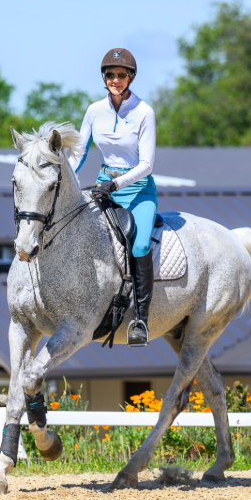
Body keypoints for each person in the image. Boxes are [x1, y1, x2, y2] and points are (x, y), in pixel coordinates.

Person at [69, 48, 157, 347]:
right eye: (110, 75)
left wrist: (115, 184)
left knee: (141, 243)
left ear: (130, 77)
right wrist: (63, 178)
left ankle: (140, 320)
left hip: (138, 188)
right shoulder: (94, 111)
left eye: (121, 75)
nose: (115, 80)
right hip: (105, 184)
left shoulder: (144, 112)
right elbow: (79, 152)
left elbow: (147, 165)